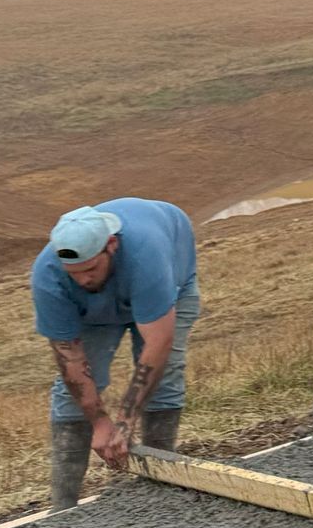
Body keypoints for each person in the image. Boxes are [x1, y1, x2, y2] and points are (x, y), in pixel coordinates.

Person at [30, 199, 201, 511]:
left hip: (168, 277)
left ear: (111, 245)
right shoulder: (48, 275)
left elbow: (158, 342)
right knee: (72, 393)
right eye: (74, 273)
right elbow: (71, 359)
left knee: (166, 374)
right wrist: (99, 422)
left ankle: (160, 487)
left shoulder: (146, 255)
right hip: (95, 309)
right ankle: (62, 508)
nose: (83, 279)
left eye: (91, 268)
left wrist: (124, 421)